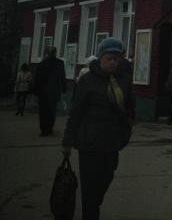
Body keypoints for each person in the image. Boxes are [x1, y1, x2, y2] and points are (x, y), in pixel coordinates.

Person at [62, 37, 134, 220]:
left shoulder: (122, 81)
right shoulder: (87, 81)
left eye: (116, 59)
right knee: (89, 191)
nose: (112, 62)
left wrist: (125, 134)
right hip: (90, 145)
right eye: (109, 58)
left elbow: (129, 109)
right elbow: (76, 112)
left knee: (105, 180)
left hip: (112, 144)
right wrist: (67, 142)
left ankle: (94, 204)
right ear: (100, 58)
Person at [33, 46, 66, 136]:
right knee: (52, 110)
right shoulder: (60, 63)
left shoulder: (41, 64)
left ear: (47, 53)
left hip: (43, 91)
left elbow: (37, 79)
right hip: (54, 91)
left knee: (43, 111)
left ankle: (44, 130)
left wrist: (35, 91)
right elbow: (62, 77)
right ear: (55, 53)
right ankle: (49, 128)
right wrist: (64, 88)